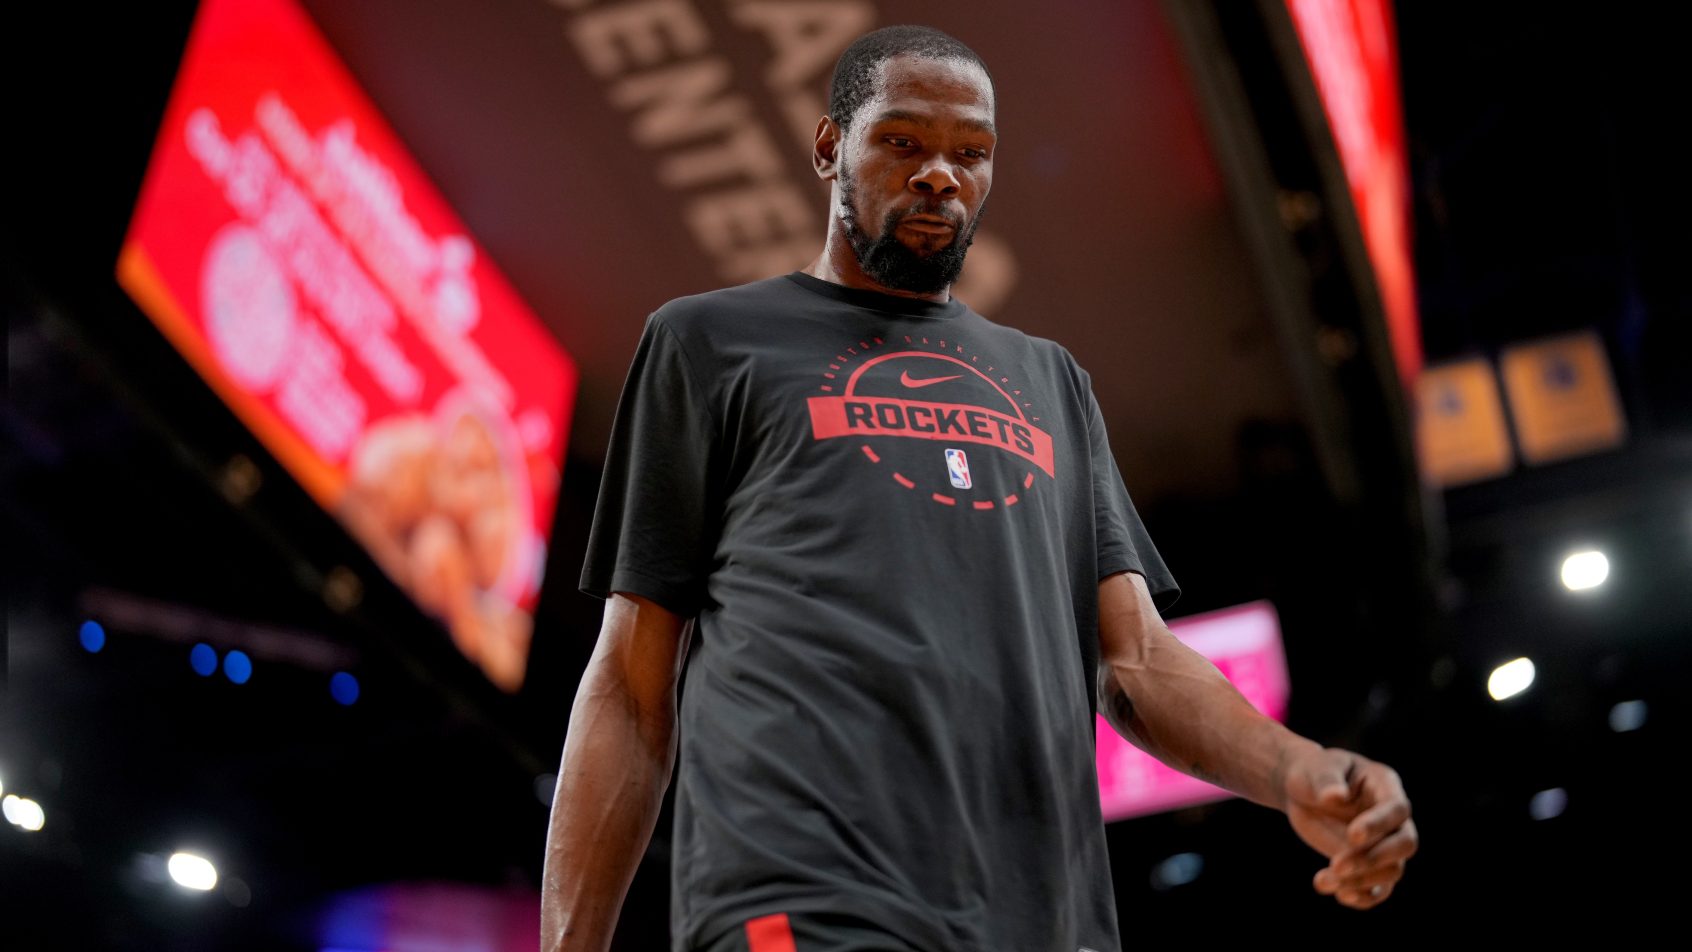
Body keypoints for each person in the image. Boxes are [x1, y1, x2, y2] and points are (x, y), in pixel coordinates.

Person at [542, 25, 1416, 952]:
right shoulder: (709, 343)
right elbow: (631, 687)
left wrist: (1297, 768)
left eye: (971, 152)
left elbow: (1136, 662)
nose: (939, 175)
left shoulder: (1051, 382)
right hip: (806, 894)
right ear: (829, 146)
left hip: (1045, 919)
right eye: (902, 141)